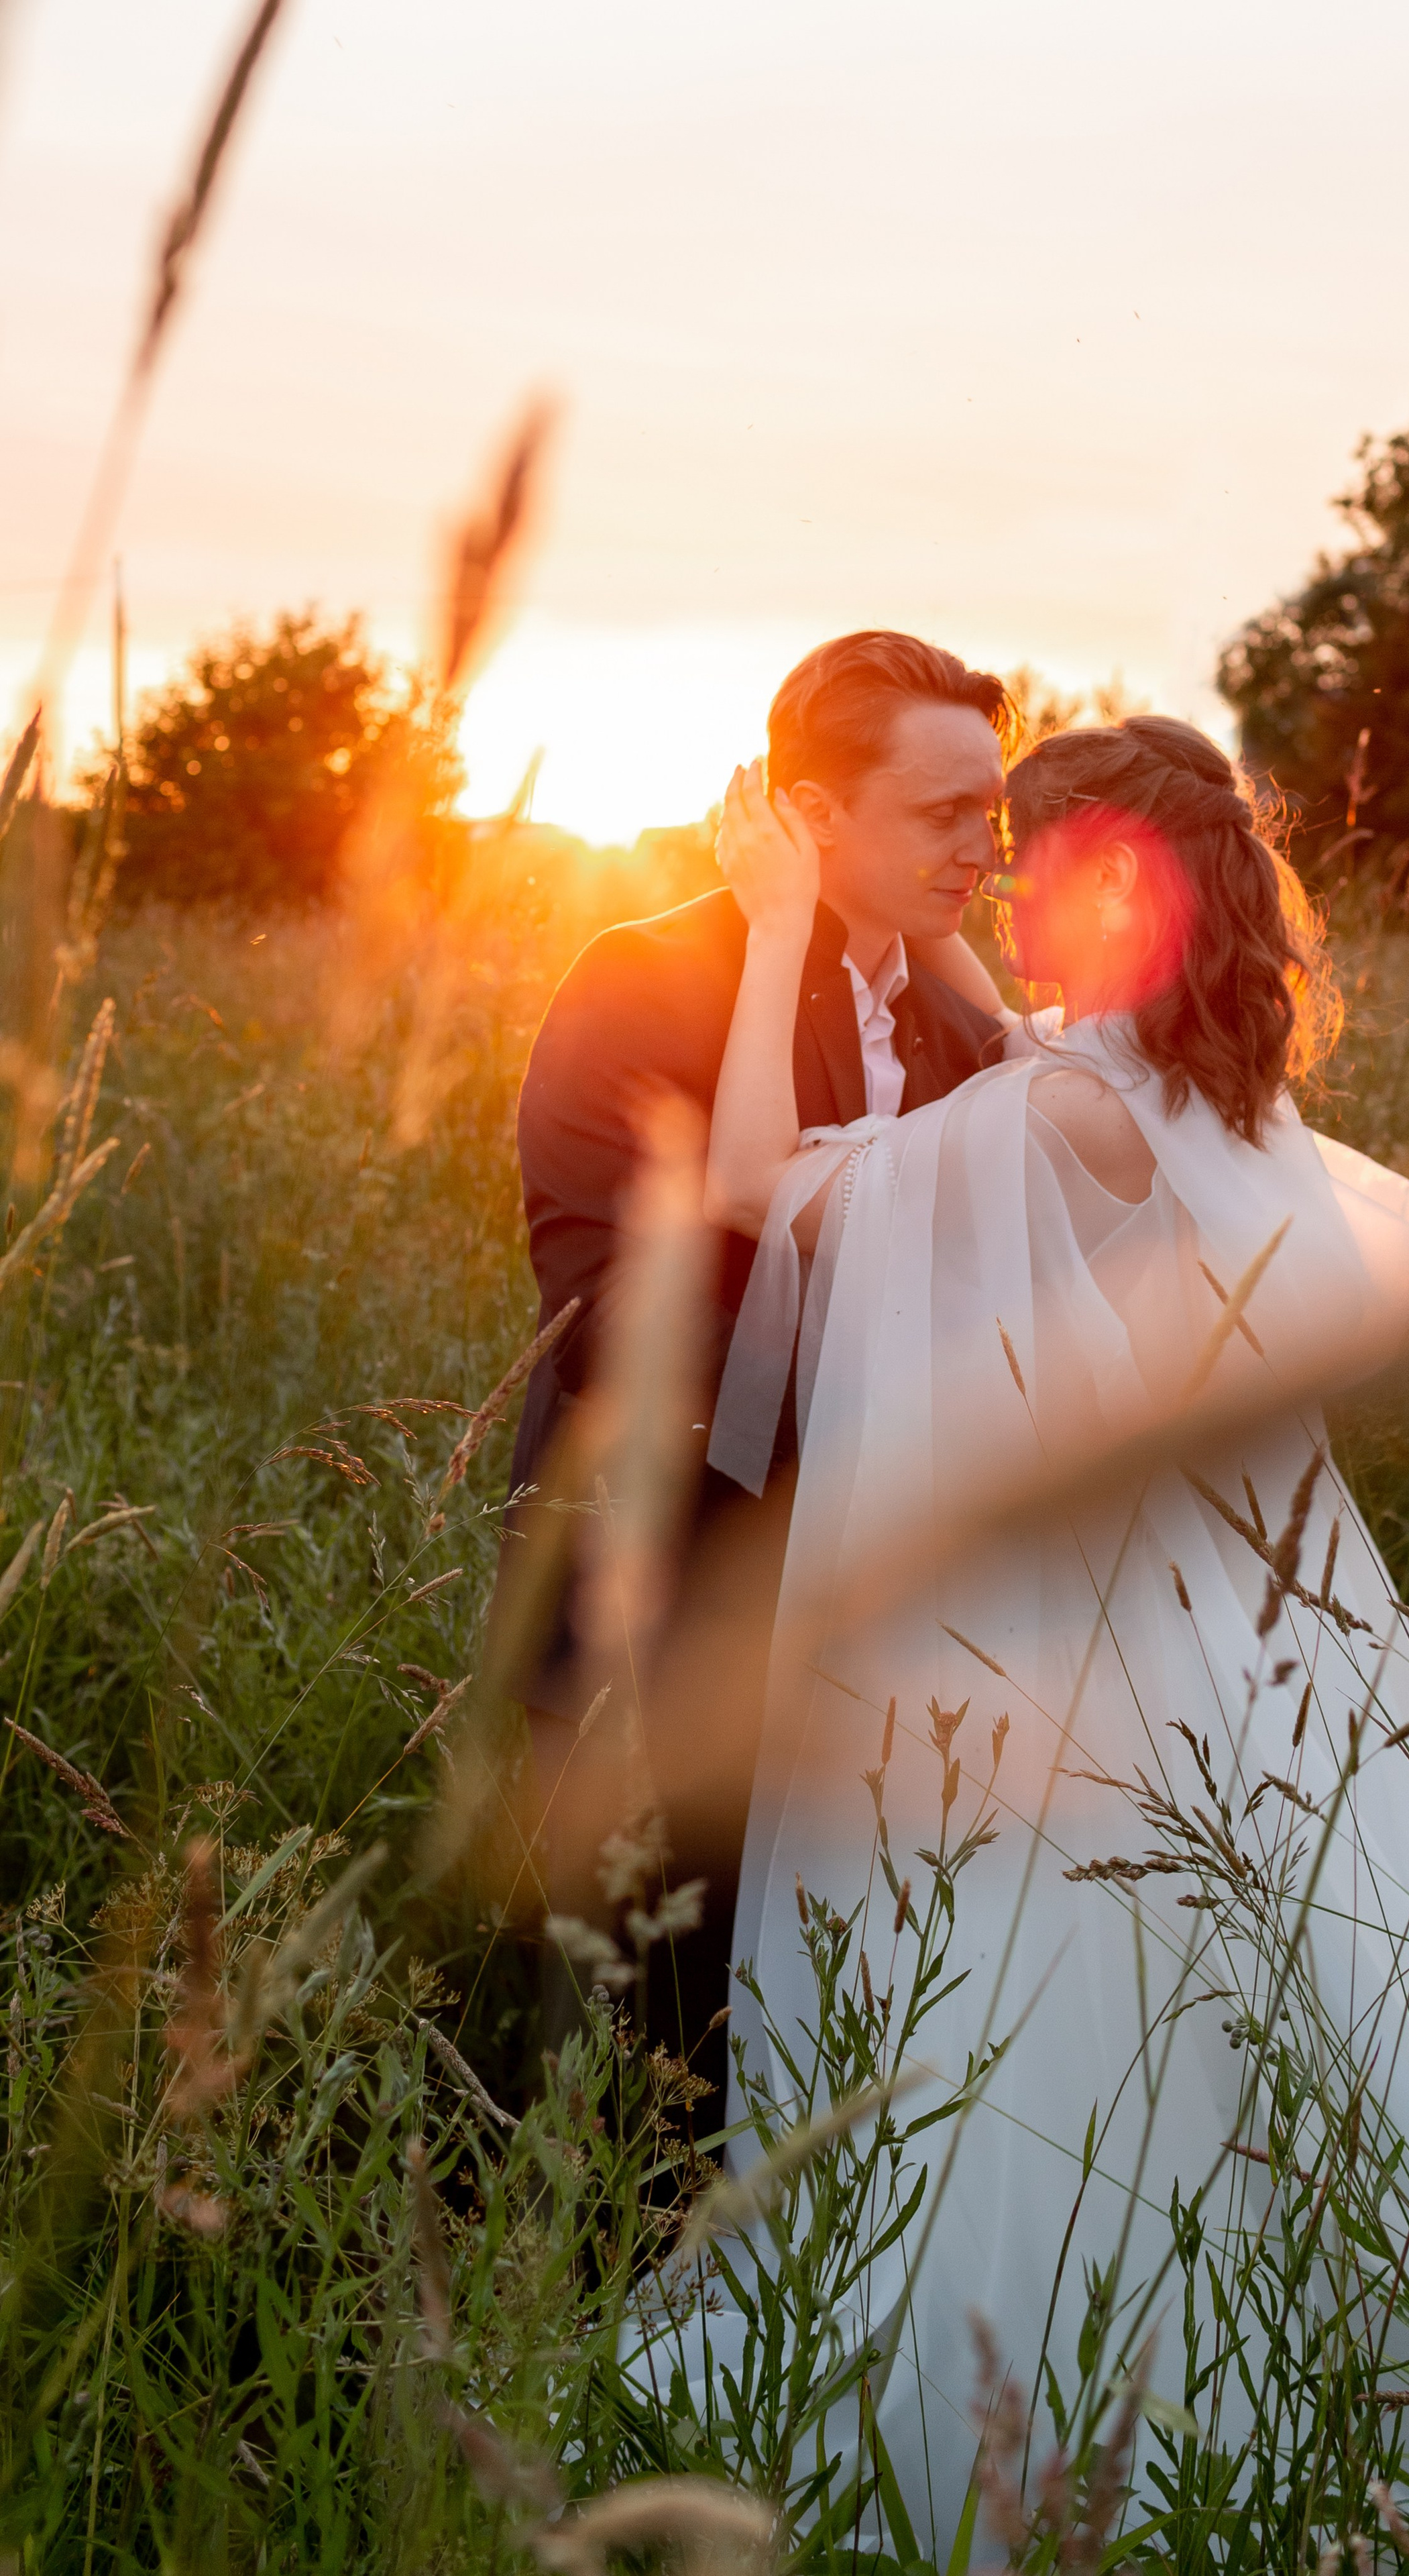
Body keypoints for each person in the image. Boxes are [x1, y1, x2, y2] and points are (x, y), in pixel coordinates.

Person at [700, 714, 1409, 2546]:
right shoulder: (1204, 1096)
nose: (994, 879)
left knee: (1053, 2028)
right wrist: (940, 942)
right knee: (1279, 2018)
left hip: (1067, 1671)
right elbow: (1027, 1070)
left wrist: (783, 922)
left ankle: (1046, 2449)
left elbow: (766, 1182)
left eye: (1026, 855)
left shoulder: (1049, 1112)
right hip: (1252, 1640)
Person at [502, 631, 1017, 2080]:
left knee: (824, 2055)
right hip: (659, 1621)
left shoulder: (954, 1016)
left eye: (990, 812)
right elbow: (608, 1321)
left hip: (886, 1634)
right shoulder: (643, 978)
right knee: (619, 2067)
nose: (984, 850)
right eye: (943, 815)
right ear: (808, 815)